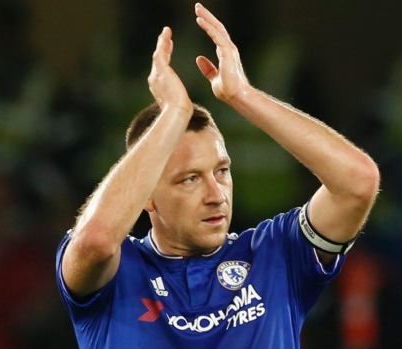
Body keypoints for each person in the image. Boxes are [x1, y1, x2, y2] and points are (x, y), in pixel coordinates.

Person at [55, 3, 380, 348]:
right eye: (190, 179)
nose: (216, 194)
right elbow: (95, 241)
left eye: (222, 171)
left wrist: (243, 96)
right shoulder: (119, 272)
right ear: (147, 196)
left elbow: (357, 183)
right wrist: (174, 113)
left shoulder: (276, 254)